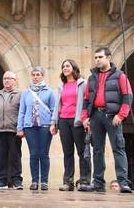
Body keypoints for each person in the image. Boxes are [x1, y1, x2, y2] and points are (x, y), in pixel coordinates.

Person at [81, 47, 133, 193]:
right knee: (97, 150)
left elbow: (127, 96)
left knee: (118, 148)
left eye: (100, 57)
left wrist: (121, 115)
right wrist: (85, 117)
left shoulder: (120, 75)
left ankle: (123, 182)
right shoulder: (92, 78)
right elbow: (86, 99)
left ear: (108, 57)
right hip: (95, 116)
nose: (97, 60)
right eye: (95, 57)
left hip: (113, 116)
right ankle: (97, 183)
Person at [50, 59, 91, 191]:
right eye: (63, 66)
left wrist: (86, 119)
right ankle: (68, 182)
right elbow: (57, 106)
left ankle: (84, 180)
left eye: (68, 66)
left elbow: (87, 102)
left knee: (82, 152)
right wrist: (54, 123)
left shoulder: (83, 84)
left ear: (74, 67)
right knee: (67, 153)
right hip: (63, 121)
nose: (65, 68)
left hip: (78, 121)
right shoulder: (61, 86)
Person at [17, 67, 55, 191]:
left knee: (44, 154)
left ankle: (44, 181)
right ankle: (34, 181)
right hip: (29, 127)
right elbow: (22, 111)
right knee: (33, 154)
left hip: (45, 126)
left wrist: (54, 124)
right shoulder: (26, 93)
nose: (35, 77)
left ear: (42, 76)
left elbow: (54, 109)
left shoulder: (49, 91)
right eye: (33, 75)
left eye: (38, 74)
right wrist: (20, 128)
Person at [0, 71, 22, 190]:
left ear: (14, 81)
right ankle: (1, 181)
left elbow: (23, 112)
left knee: (15, 156)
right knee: (0, 156)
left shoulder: (20, 94)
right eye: (5, 78)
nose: (7, 80)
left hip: (14, 130)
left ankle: (17, 181)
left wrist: (21, 128)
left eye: (9, 78)